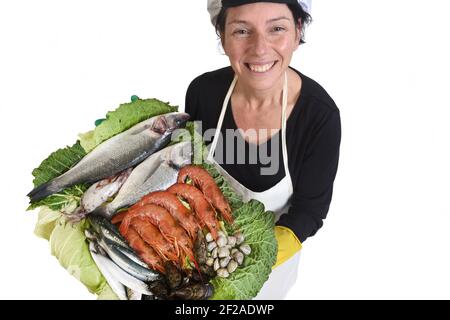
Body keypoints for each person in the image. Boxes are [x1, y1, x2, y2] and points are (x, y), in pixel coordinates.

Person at [185, 0, 341, 299]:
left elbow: (309, 212)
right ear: (222, 36)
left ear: (298, 31)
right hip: (195, 263)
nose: (259, 49)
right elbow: (191, 173)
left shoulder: (319, 116)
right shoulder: (202, 92)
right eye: (242, 30)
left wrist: (249, 264)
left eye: (277, 29)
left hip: (267, 278)